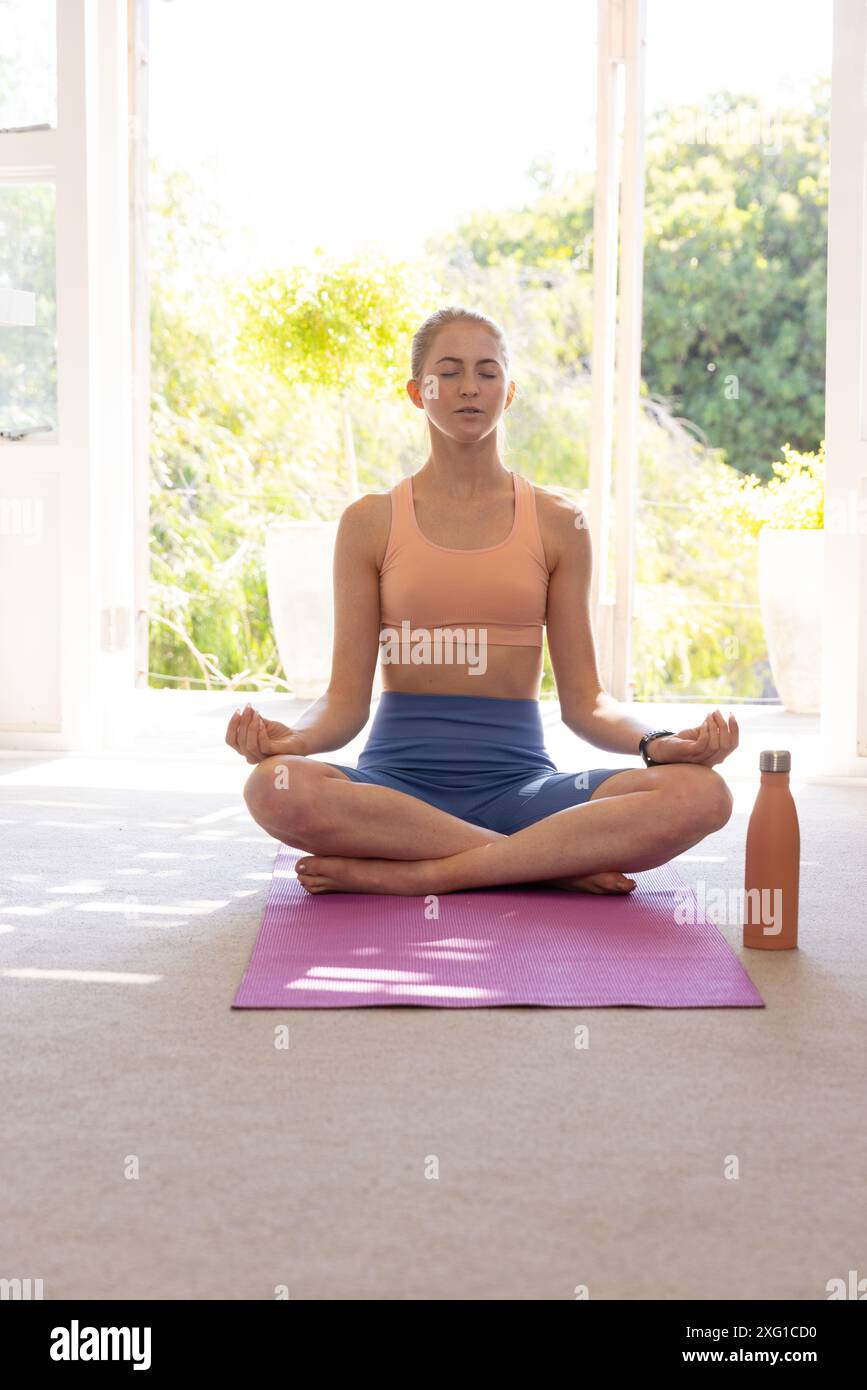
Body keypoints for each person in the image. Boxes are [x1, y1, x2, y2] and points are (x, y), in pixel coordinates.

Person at [227, 306, 737, 896]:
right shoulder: (369, 522)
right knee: (273, 785)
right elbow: (343, 704)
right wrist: (289, 743)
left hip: (523, 790)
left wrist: (658, 744)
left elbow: (586, 703)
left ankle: (424, 874)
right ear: (418, 392)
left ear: (510, 392)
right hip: (394, 791)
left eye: (487, 372)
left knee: (701, 793)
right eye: (450, 371)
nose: (470, 387)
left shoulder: (558, 522)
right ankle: (548, 864)